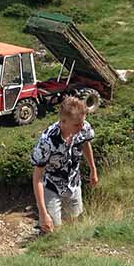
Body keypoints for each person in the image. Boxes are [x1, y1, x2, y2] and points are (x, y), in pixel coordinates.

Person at [31, 95, 98, 233]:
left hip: (74, 184)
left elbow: (86, 143)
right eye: (76, 124)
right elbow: (37, 178)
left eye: (82, 122)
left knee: (75, 224)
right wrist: (43, 213)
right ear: (63, 121)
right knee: (51, 229)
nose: (81, 127)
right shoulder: (47, 141)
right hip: (51, 187)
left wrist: (93, 168)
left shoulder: (83, 127)